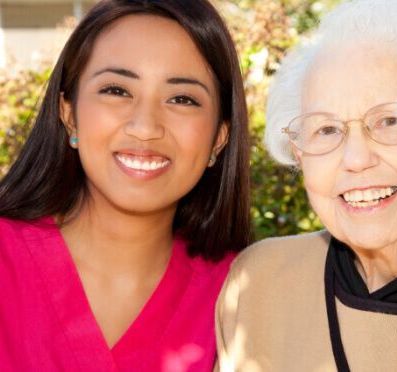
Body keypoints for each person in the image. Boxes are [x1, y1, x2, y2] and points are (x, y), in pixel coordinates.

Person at [0, 0, 250, 370]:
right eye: (116, 90)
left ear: (219, 137)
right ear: (68, 114)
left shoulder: (243, 296)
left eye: (182, 99)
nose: (145, 126)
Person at [215, 0, 397, 370]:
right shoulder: (260, 285)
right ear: (300, 156)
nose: (356, 159)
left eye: (390, 120)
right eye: (326, 129)